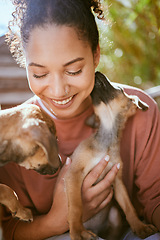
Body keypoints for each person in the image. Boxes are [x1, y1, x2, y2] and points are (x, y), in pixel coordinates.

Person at [0, 0, 160, 239]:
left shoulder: (135, 108)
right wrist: (56, 221)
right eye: (40, 74)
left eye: (73, 70)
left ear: (95, 54)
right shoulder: (14, 137)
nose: (58, 90)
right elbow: (9, 230)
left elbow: (155, 199)